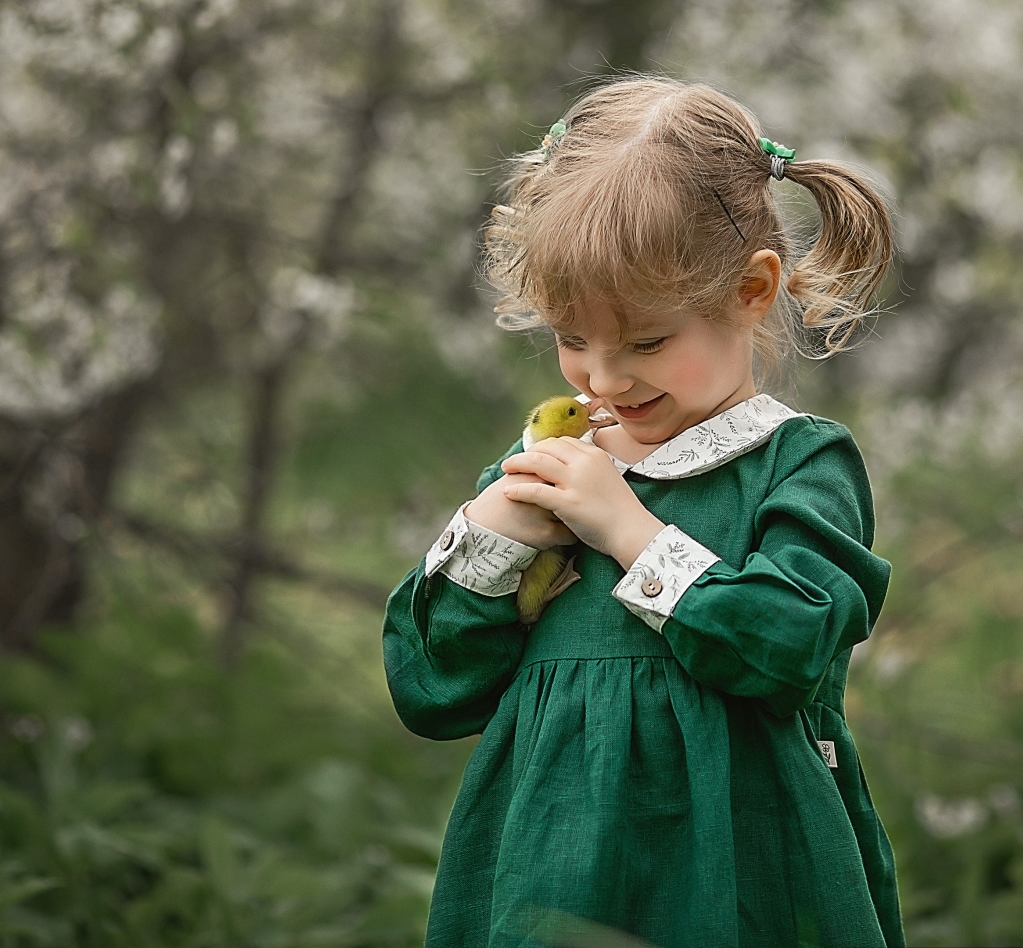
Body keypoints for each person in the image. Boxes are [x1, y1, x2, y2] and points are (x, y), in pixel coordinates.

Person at [382, 76, 904, 948]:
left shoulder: (797, 464)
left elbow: (786, 649)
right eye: (572, 338)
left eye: (647, 342)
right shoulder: (552, 469)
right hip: (549, 869)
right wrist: (493, 540)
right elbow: (432, 689)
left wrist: (628, 532)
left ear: (752, 290)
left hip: (738, 873)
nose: (604, 378)